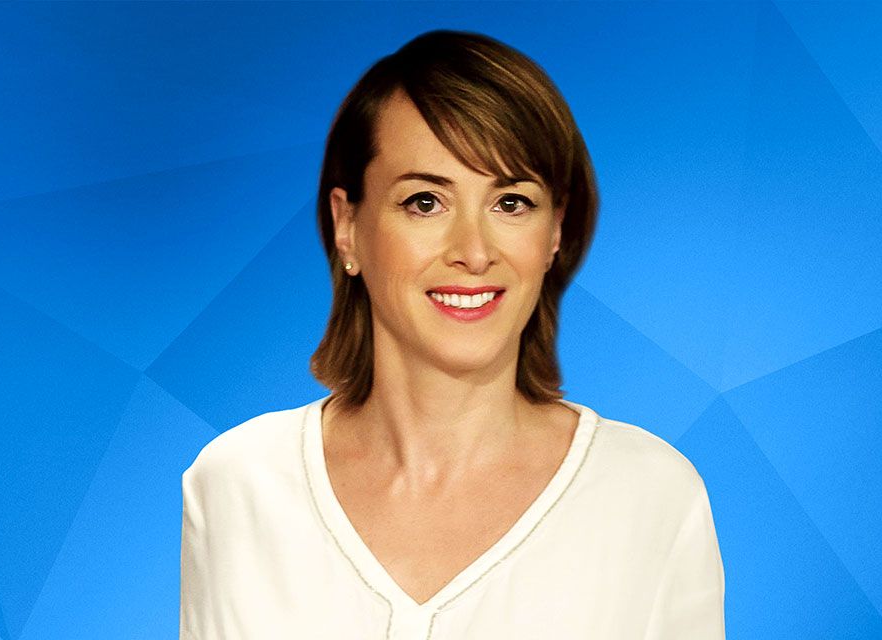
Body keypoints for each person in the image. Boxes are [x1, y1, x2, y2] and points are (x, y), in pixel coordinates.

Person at [180, 29, 724, 640]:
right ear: (347, 225)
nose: (474, 251)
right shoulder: (237, 484)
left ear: (554, 232)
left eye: (511, 203)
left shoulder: (650, 495)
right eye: (424, 202)